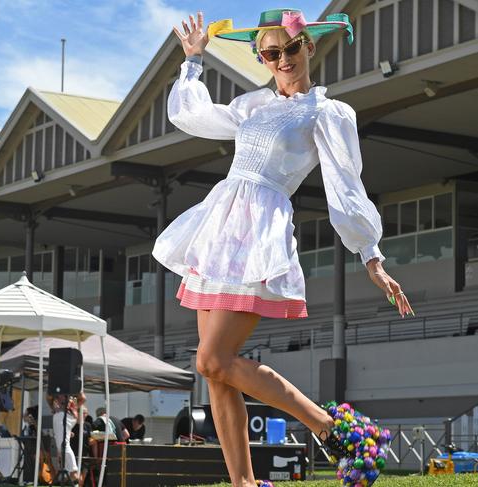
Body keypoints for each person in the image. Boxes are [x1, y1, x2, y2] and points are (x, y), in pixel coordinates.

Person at [152, 9, 412, 487]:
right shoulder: (254, 105)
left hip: (259, 234)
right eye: (271, 53)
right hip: (218, 233)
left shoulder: (326, 112)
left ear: (308, 47)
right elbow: (192, 115)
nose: (283, 59)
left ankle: (332, 430)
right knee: (216, 374)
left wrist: (370, 255)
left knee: (211, 360)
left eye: (290, 48)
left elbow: (345, 184)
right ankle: (244, 484)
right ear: (262, 58)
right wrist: (192, 61)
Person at [47, 392, 86, 483]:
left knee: (62, 445)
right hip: (68, 415)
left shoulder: (59, 386)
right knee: (62, 445)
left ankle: (73, 471)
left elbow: (48, 396)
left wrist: (53, 406)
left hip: (63, 414)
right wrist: (75, 407)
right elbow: (82, 397)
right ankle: (70, 471)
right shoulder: (71, 385)